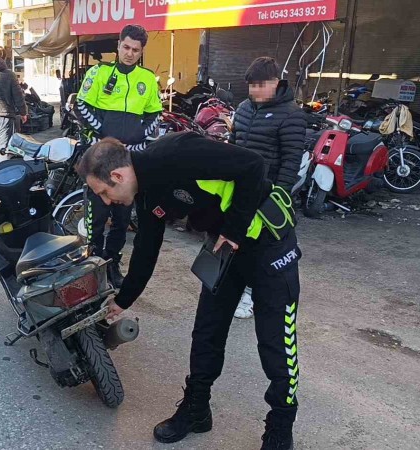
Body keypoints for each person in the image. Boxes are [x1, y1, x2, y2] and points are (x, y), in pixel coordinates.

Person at [78, 132, 301, 450]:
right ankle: (197, 410)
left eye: (103, 192)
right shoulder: (146, 193)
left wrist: (234, 229)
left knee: (276, 342)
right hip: (224, 249)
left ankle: (281, 425)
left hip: (269, 244)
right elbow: (146, 248)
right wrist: (123, 299)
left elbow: (253, 164)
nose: (105, 201)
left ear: (117, 176)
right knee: (207, 332)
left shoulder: (175, 153)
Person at [74, 24, 163, 288]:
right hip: (100, 156)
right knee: (97, 217)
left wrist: (136, 139)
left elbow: (155, 114)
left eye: (135, 50)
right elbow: (81, 105)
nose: (129, 53)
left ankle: (112, 264)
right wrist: (105, 136)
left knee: (122, 218)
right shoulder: (99, 73)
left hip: (128, 160)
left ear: (141, 51)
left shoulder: (147, 79)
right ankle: (93, 266)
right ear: (119, 45)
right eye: (126, 47)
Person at [230, 56, 307, 320]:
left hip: (268, 194)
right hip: (238, 191)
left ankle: (251, 294)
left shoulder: (292, 114)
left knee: (262, 248)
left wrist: (278, 198)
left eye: (260, 85)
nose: (254, 91)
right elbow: (233, 146)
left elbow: (291, 162)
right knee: (237, 241)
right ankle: (235, 288)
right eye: (251, 85)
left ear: (276, 82)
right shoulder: (243, 108)